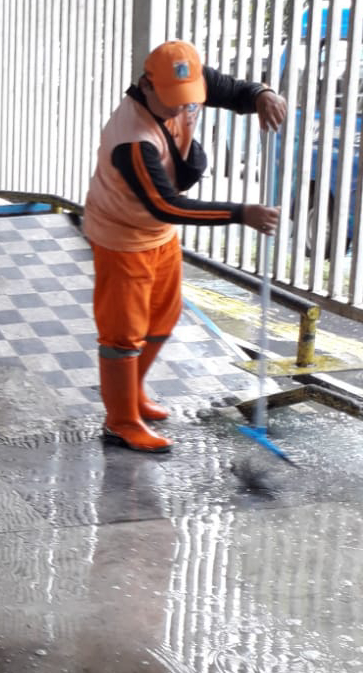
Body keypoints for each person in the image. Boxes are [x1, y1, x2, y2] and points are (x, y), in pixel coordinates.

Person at [83, 40, 286, 453]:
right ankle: (121, 422)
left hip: (157, 234)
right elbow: (166, 205)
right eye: (171, 102)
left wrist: (262, 95)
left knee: (162, 318)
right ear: (147, 85)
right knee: (123, 333)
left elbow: (232, 90)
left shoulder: (190, 83)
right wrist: (240, 213)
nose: (181, 109)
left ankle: (133, 393)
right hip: (122, 237)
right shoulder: (133, 139)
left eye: (187, 100)